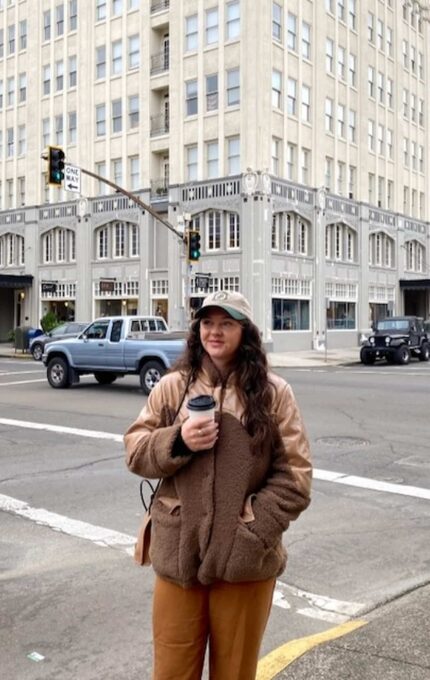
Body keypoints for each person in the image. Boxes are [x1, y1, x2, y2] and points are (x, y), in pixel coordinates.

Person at [124, 291, 312, 680]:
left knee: (235, 671)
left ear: (245, 332)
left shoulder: (275, 394)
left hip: (245, 563)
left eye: (226, 323)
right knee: (173, 669)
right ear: (197, 331)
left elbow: (296, 476)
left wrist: (251, 534)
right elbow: (135, 451)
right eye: (208, 323)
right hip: (180, 554)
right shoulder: (173, 387)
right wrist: (178, 440)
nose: (215, 331)